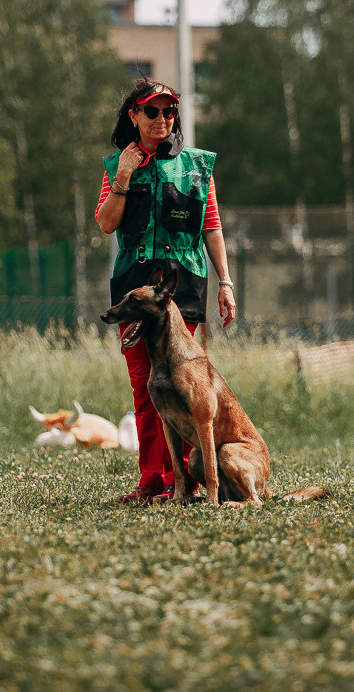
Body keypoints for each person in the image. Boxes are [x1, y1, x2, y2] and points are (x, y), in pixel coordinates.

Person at [95, 79, 237, 504]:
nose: (162, 119)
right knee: (146, 388)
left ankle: (190, 481)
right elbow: (105, 223)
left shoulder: (197, 166)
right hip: (135, 298)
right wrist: (123, 176)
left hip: (182, 294)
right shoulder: (115, 166)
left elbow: (211, 226)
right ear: (133, 116)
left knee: (188, 389)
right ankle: (152, 481)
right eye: (152, 111)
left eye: (169, 112)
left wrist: (226, 281)